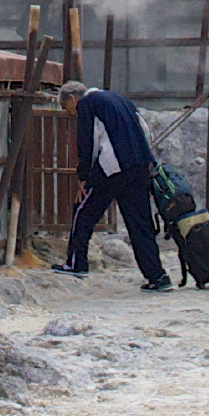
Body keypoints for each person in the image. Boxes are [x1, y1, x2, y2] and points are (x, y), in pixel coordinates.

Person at [56, 83, 171, 290]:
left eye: (67, 108)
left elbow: (87, 141)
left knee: (83, 210)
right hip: (140, 163)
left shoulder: (87, 104)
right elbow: (144, 129)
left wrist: (84, 176)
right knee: (140, 223)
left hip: (114, 164)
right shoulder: (120, 98)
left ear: (73, 98)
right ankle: (157, 276)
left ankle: (76, 263)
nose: (71, 114)